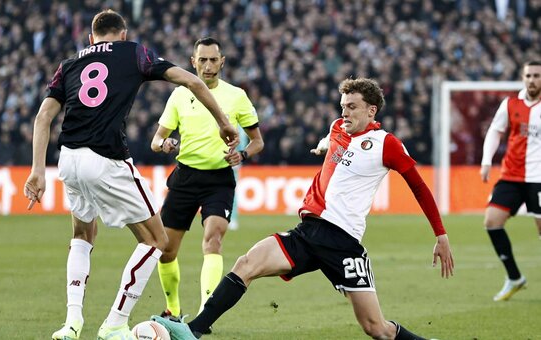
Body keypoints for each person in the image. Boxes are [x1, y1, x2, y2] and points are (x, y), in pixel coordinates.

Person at [152, 77, 455, 339]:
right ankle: (193, 331)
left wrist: (440, 235)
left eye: (352, 106)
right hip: (307, 233)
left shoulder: (385, 144)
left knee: (377, 329)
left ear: (371, 110)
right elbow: (330, 139)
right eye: (342, 105)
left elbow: (419, 186)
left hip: (342, 243)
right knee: (246, 264)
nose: (344, 111)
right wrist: (323, 147)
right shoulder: (338, 127)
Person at [23, 10, 238, 340]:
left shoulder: (69, 64)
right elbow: (192, 81)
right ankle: (115, 323)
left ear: (91, 39)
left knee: (82, 235)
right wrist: (224, 122)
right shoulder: (133, 51)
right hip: (105, 157)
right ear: (122, 35)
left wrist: (38, 171)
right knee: (156, 241)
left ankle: (71, 324)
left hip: (68, 159)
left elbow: (42, 117)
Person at [150, 37, 264, 323]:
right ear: (193, 62)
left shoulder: (236, 96)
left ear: (222, 62)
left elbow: (257, 141)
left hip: (219, 180)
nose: (208, 65)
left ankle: (204, 315)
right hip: (185, 177)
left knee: (213, 240)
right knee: (165, 251)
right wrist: (164, 145)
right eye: (203, 60)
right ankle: (173, 309)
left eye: (214, 60)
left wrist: (244, 155)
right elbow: (156, 139)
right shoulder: (178, 95)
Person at [479, 60, 541, 302]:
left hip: (539, 179)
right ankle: (514, 277)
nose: (533, 80)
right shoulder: (510, 104)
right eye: (529, 75)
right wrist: (486, 161)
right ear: (522, 77)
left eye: (537, 75)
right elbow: (495, 131)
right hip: (511, 176)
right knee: (492, 221)